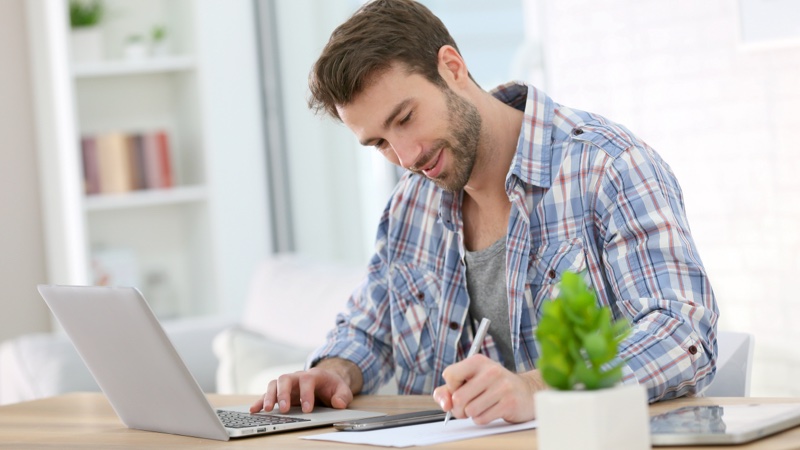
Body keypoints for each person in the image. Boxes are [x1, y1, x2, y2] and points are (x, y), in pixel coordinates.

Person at [250, 0, 718, 424]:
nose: (406, 156)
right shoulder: (409, 208)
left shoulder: (606, 167)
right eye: (379, 143)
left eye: (406, 117)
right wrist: (334, 371)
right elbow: (369, 330)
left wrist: (538, 387)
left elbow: (683, 334)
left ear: (452, 67)